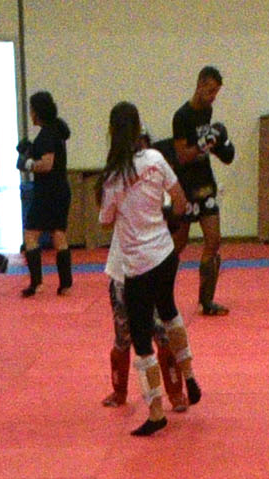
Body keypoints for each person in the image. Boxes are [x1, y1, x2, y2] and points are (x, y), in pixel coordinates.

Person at [96, 104, 198, 438]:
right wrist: (161, 217)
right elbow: (180, 203)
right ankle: (190, 375)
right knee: (169, 312)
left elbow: (105, 220)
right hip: (166, 254)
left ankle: (156, 411)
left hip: (138, 266)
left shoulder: (114, 177)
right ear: (140, 127)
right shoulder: (155, 159)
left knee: (141, 339)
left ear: (112, 132)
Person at [169, 68, 238, 314]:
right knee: (178, 244)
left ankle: (206, 301)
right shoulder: (182, 116)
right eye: (210, 91)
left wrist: (220, 145)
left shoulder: (207, 111)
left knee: (214, 240)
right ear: (199, 85)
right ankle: (160, 294)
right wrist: (205, 143)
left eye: (216, 92)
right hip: (186, 187)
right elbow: (182, 156)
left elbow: (210, 148)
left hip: (205, 184)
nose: (213, 97)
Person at [18, 93, 75, 295]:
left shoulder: (48, 134)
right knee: (58, 234)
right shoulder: (55, 130)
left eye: (32, 110)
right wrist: (31, 151)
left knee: (31, 235)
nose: (31, 114)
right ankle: (66, 285)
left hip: (48, 192)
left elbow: (48, 164)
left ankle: (37, 283)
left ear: (38, 112)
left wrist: (28, 163)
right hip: (59, 190)